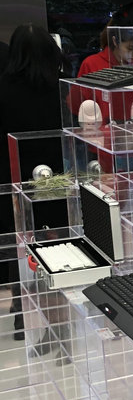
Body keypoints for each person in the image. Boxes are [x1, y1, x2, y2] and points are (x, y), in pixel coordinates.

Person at [0, 25, 66, 336]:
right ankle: (60, 320)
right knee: (59, 247)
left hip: (11, 183)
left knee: (18, 249)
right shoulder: (59, 90)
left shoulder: (3, 89)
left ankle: (20, 313)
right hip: (55, 182)